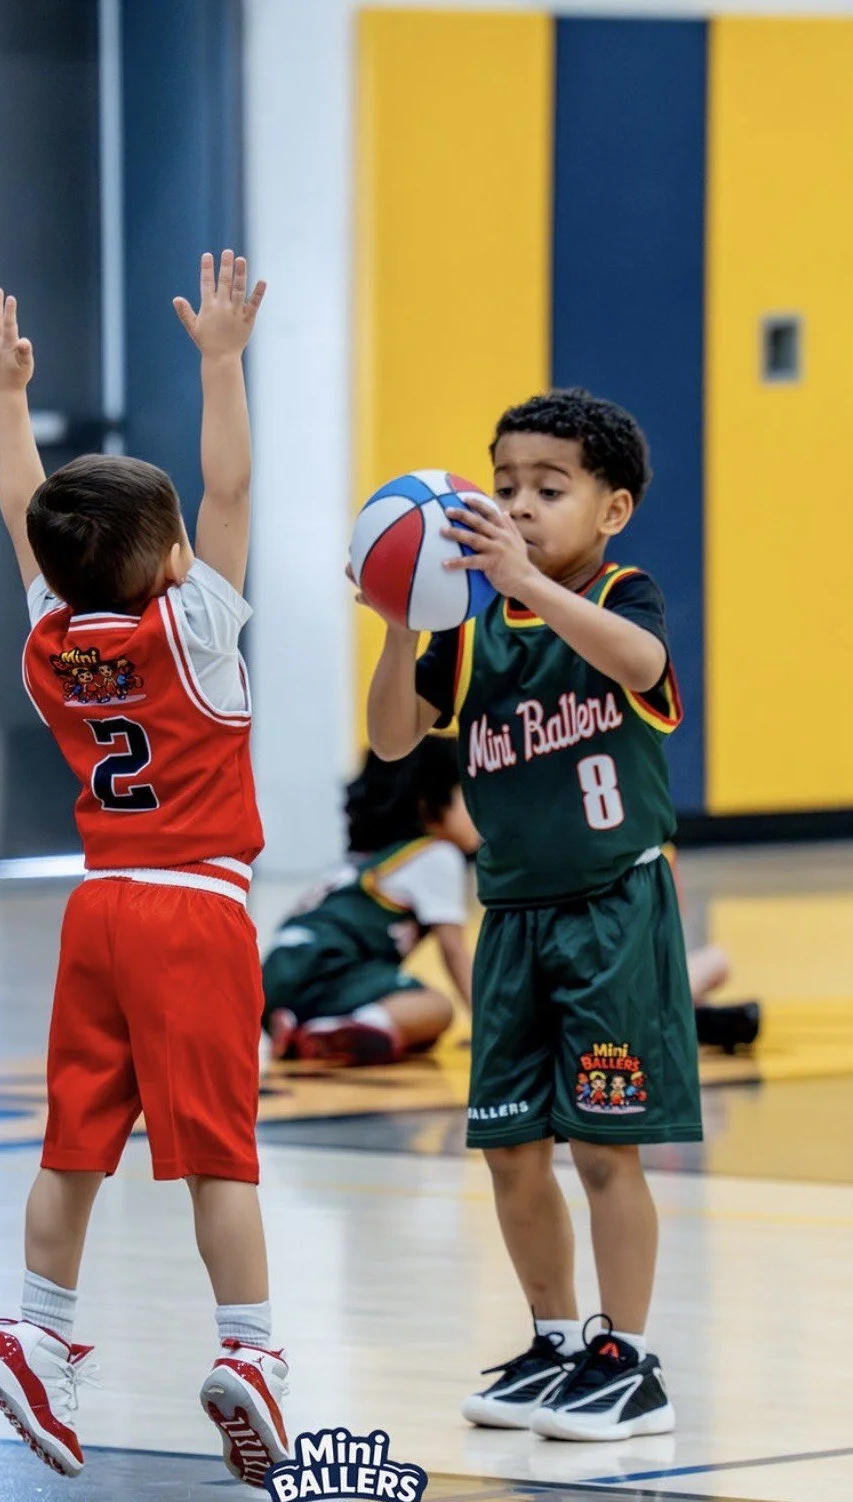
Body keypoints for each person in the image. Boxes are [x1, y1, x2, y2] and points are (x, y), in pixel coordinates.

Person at [0, 252, 290, 1487]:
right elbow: (232, 483)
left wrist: (7, 399)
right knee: (218, 1151)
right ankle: (249, 1353)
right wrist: (220, 359)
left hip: (95, 906)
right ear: (170, 565)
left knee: (73, 1146)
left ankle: (39, 1329)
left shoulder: (50, 635)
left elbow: (21, 512)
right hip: (197, 907)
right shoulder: (194, 624)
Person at [362, 386, 700, 1441]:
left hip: (612, 910)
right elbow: (387, 739)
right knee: (513, 1148)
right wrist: (396, 622)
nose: (519, 504)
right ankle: (556, 1338)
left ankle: (629, 1359)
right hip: (511, 917)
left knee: (606, 1148)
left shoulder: (622, 595)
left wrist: (522, 582)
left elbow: (641, 666)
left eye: (548, 488)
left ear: (612, 508)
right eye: (504, 485)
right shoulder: (467, 631)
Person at [263, 737, 480, 1066]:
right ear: (428, 804)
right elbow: (454, 952)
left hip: (276, 979)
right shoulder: (436, 855)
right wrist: (489, 1028)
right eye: (468, 796)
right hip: (326, 965)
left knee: (417, 1035)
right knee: (436, 1008)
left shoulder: (368, 858)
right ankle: (343, 1027)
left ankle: (302, 1026)